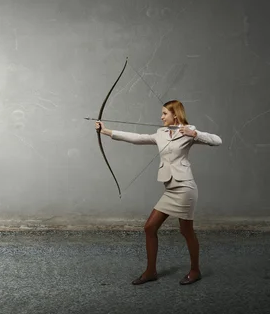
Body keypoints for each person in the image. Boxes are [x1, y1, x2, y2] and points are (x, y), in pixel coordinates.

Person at [95, 99, 222, 285]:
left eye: (164, 113)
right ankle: (150, 271)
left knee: (186, 231)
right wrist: (106, 132)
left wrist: (194, 133)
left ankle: (195, 270)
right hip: (170, 188)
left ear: (175, 115)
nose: (161, 117)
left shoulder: (189, 132)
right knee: (150, 228)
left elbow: (217, 141)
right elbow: (137, 138)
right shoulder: (161, 133)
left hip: (185, 187)